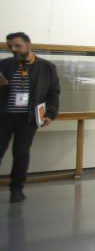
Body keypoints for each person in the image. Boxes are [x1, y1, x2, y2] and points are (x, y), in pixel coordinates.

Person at [1, 32, 60, 203]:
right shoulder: (4, 65)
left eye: (17, 45)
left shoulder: (46, 67)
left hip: (27, 119)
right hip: (3, 117)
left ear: (28, 45)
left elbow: (53, 93)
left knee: (20, 154)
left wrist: (50, 114)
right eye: (10, 46)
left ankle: (16, 189)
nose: (13, 49)